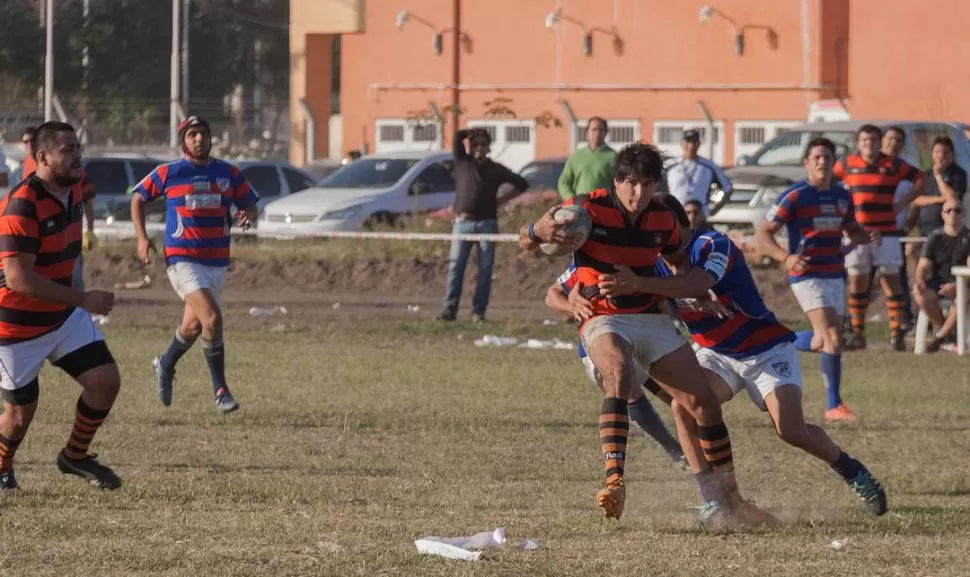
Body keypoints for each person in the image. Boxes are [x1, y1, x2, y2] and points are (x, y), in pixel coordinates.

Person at [519, 143, 774, 526]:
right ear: (618, 181)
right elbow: (526, 243)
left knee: (703, 402)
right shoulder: (586, 208)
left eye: (648, 185)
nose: (639, 194)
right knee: (619, 374)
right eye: (632, 184)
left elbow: (676, 264)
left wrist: (694, 293)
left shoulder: (663, 219)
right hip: (603, 316)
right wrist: (536, 230)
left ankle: (732, 500)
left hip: (650, 318)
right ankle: (615, 481)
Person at [621, 219, 888, 518]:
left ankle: (853, 471)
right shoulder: (655, 263)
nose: (654, 237)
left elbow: (698, 283)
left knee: (790, 429)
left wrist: (668, 291)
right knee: (684, 408)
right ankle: (713, 499)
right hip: (717, 353)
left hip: (766, 350)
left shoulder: (711, 244)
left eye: (658, 229)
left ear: (677, 227)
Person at [0, 121, 122, 491]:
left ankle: (75, 455)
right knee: (20, 416)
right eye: (68, 150)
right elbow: (19, 279)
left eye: (78, 148)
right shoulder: (22, 203)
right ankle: (2, 468)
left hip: (62, 317)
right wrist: (84, 298)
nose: (77, 156)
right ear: (43, 157)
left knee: (105, 381)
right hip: (15, 326)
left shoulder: (75, 189)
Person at [131, 116, 259, 414]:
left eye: (203, 133)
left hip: (216, 260)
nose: (199, 139)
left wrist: (248, 215)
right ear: (183, 142)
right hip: (181, 258)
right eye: (192, 135)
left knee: (192, 326)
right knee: (212, 319)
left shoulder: (228, 173)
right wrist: (141, 238)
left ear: (211, 138)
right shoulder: (170, 172)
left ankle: (164, 363)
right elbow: (138, 197)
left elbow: (249, 204)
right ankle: (220, 390)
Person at [757, 138, 876, 422]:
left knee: (826, 340)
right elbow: (763, 233)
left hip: (834, 272)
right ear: (807, 163)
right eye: (817, 157)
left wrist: (864, 235)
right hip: (807, 274)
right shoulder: (795, 196)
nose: (822, 162)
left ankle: (772, 341)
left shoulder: (841, 196)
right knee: (832, 338)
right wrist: (785, 258)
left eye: (827, 157)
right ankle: (834, 406)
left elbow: (850, 229)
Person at [834, 124, 923, 351]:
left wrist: (903, 203)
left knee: (890, 280)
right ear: (858, 142)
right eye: (864, 140)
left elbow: (920, 178)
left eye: (873, 140)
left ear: (879, 142)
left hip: (887, 233)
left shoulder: (892, 164)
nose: (868, 144)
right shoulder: (846, 164)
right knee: (857, 282)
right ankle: (857, 333)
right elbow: (829, 183)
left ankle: (897, 333)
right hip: (856, 233)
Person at [437, 128, 528, 323]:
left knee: (485, 270)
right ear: (470, 147)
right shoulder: (462, 162)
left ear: (489, 148)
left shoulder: (496, 169)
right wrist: (473, 132)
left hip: (487, 223)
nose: (479, 148)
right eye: (475, 144)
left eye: (483, 144)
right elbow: (456, 136)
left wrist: (502, 199)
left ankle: (478, 312)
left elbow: (522, 183)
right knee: (455, 267)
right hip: (462, 223)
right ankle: (449, 310)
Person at [912, 198, 970, 352]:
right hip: (939, 282)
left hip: (964, 284)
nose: (953, 214)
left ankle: (938, 338)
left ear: (963, 214)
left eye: (957, 210)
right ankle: (949, 334)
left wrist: (956, 285)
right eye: (948, 210)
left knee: (962, 296)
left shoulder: (969, 237)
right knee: (919, 293)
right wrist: (919, 280)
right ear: (942, 215)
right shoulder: (935, 237)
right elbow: (922, 266)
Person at [881, 127, 916, 332]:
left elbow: (919, 191)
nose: (893, 143)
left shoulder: (906, 169)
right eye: (890, 138)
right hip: (869, 229)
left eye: (898, 140)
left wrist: (904, 205)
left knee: (897, 276)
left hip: (895, 230)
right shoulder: (870, 165)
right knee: (862, 278)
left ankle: (902, 320)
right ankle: (854, 324)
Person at [665, 129, 733, 217]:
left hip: (700, 215)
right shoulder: (669, 165)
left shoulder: (710, 166)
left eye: (694, 142)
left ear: (699, 144)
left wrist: (714, 209)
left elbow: (728, 188)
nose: (691, 146)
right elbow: (655, 186)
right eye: (688, 142)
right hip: (675, 214)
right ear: (681, 143)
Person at [557, 117, 616, 201]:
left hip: (603, 206)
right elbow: (563, 182)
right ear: (587, 132)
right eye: (594, 129)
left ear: (605, 133)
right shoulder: (576, 157)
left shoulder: (614, 157)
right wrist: (571, 199)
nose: (597, 133)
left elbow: (619, 185)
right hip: (579, 206)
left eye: (600, 130)